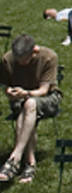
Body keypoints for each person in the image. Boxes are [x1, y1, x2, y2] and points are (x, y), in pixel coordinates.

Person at [0, 35, 62, 184]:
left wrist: (26, 93)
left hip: (48, 98)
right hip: (20, 100)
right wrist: (8, 91)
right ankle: (29, 164)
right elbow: (4, 84)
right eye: (17, 60)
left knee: (30, 104)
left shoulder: (49, 57)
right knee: (27, 108)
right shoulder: (8, 59)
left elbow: (44, 90)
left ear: (34, 51)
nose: (20, 64)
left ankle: (15, 157)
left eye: (24, 60)